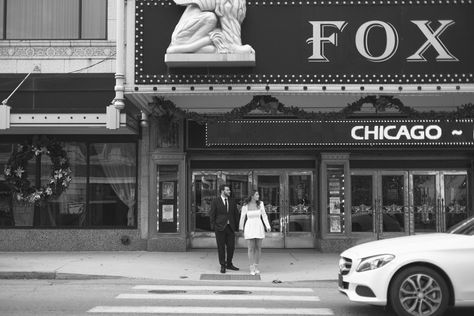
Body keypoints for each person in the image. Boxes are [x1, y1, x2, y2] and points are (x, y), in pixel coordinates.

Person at [209, 184, 240, 273]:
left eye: (229, 190)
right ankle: (223, 265)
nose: (229, 191)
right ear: (222, 191)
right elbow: (212, 214)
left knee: (231, 247)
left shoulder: (232, 201)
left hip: (230, 228)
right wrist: (213, 226)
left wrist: (236, 227)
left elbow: (236, 214)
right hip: (219, 228)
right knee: (221, 247)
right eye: (227, 190)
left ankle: (229, 264)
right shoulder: (215, 201)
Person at [239, 190, 271, 275]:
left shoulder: (261, 204)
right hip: (249, 226)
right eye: (257, 194)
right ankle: (251, 268)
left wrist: (267, 226)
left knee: (258, 248)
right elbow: (242, 217)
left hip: (259, 226)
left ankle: (256, 266)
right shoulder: (245, 205)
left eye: (258, 194)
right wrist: (241, 228)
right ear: (252, 196)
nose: (258, 196)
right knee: (250, 248)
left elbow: (264, 215)